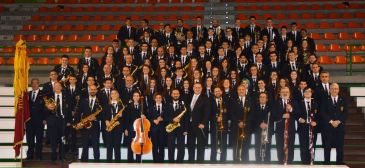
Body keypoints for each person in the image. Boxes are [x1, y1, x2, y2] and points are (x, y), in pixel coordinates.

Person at [45, 82, 72, 162]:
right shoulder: (49, 97)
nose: (57, 88)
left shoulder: (66, 96)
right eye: (55, 86)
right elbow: (44, 110)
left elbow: (70, 109)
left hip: (63, 120)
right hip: (53, 120)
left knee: (63, 139)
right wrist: (48, 108)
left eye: (58, 86)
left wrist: (69, 121)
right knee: (53, 139)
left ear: (61, 87)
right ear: (53, 88)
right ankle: (53, 155)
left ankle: (62, 155)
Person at [321, 83, 347, 165]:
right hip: (328, 127)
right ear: (330, 90)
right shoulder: (325, 100)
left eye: (336, 88)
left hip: (340, 127)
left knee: (340, 147)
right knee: (327, 146)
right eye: (332, 88)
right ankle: (327, 163)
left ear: (338, 90)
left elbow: (346, 113)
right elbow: (322, 112)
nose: (334, 90)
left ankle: (339, 163)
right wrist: (331, 121)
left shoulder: (343, 100)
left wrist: (338, 121)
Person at [186, 82, 210, 163]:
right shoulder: (189, 97)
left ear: (201, 89)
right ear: (193, 88)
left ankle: (200, 163)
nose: (197, 89)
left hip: (200, 125)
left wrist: (203, 123)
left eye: (199, 87)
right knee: (190, 145)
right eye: (195, 87)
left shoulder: (205, 98)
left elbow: (207, 113)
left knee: (200, 146)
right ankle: (191, 162)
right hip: (190, 125)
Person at [77, 84, 101, 162]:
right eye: (91, 89)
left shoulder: (100, 101)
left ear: (96, 91)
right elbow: (78, 112)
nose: (93, 91)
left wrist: (96, 118)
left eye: (94, 89)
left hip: (95, 126)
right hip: (85, 126)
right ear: (89, 90)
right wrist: (78, 123)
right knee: (85, 144)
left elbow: (104, 115)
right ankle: (84, 161)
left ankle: (97, 161)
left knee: (96, 145)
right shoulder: (83, 100)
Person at [273, 86, 297, 164]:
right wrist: (282, 116)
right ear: (280, 93)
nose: (285, 93)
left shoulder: (294, 102)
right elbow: (273, 115)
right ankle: (280, 162)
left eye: (287, 92)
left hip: (290, 129)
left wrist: (291, 109)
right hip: (280, 129)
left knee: (290, 146)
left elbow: (298, 114)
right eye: (283, 92)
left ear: (289, 93)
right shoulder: (276, 102)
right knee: (279, 146)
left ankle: (290, 162)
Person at [231, 84, 253, 162]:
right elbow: (231, 113)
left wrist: (245, 122)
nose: (241, 91)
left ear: (245, 90)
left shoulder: (250, 100)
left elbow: (252, 113)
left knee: (245, 146)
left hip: (246, 127)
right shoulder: (233, 101)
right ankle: (236, 162)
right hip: (236, 127)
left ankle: (245, 162)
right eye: (239, 89)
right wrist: (238, 122)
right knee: (236, 146)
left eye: (242, 89)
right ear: (237, 91)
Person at [296, 87, 319, 165]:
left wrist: (316, 122)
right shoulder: (299, 103)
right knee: (303, 148)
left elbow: (319, 115)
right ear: (303, 93)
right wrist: (299, 119)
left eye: (309, 91)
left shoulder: (315, 103)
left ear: (311, 93)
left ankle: (311, 163)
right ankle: (304, 164)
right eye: (306, 91)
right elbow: (295, 114)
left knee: (312, 147)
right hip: (303, 129)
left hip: (313, 129)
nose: (308, 93)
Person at [165, 89, 187, 163]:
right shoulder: (167, 105)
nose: (175, 95)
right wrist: (172, 119)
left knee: (181, 148)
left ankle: (179, 163)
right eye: (174, 93)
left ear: (179, 95)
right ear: (171, 94)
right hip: (171, 128)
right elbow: (165, 117)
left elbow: (186, 117)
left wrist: (185, 130)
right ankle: (171, 163)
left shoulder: (183, 105)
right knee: (171, 147)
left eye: (177, 93)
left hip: (181, 129)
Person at [26, 78, 46, 160]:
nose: (34, 85)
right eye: (33, 83)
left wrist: (45, 118)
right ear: (31, 85)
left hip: (40, 120)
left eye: (36, 83)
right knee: (29, 138)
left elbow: (46, 108)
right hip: (29, 120)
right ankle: (30, 155)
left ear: (39, 84)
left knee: (39, 138)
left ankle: (38, 155)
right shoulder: (27, 94)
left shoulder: (44, 94)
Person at [104, 89, 126, 162]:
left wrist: (122, 116)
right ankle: (109, 163)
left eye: (115, 93)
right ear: (110, 95)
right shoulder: (107, 105)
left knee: (117, 147)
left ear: (118, 95)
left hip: (118, 128)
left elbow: (126, 118)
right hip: (109, 127)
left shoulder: (121, 105)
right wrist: (106, 120)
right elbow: (103, 115)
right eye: (112, 94)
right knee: (109, 147)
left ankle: (118, 163)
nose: (114, 95)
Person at [210, 86, 229, 162]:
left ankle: (223, 161)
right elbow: (208, 113)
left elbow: (229, 113)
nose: (217, 92)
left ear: (221, 92)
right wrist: (216, 118)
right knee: (213, 144)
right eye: (215, 91)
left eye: (218, 91)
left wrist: (222, 118)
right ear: (213, 93)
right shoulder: (210, 101)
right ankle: (213, 161)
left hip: (223, 125)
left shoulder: (226, 100)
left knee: (223, 144)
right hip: (214, 125)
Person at [254, 92, 273, 163]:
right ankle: (258, 162)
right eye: (261, 97)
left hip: (268, 130)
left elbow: (273, 118)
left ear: (267, 99)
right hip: (258, 129)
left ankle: (267, 161)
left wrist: (267, 125)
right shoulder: (255, 107)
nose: (262, 98)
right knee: (257, 146)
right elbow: (253, 118)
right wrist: (259, 124)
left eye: (264, 97)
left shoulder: (270, 107)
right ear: (258, 99)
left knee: (267, 147)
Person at [149, 93, 167, 163]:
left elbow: (168, 117)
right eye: (157, 98)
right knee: (155, 146)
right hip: (154, 130)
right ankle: (155, 162)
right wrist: (153, 120)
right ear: (155, 99)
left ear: (162, 99)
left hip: (163, 130)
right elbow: (148, 118)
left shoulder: (166, 107)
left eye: (160, 98)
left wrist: (163, 119)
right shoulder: (151, 107)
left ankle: (161, 162)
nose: (158, 99)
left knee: (162, 146)